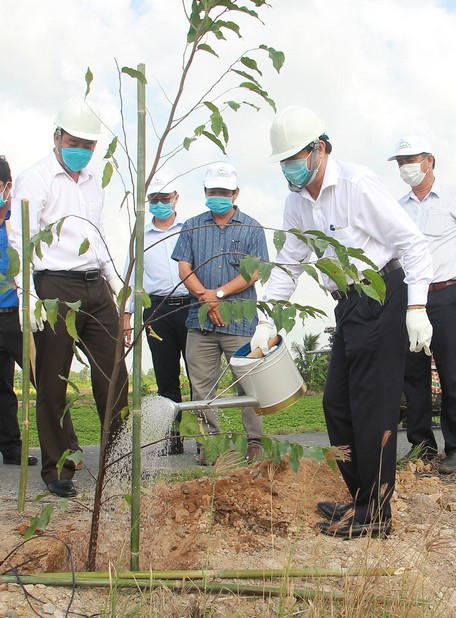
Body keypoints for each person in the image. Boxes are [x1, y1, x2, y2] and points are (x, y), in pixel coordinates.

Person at [251, 106, 433, 539]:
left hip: (382, 295)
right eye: (284, 160)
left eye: (297, 155)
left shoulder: (356, 184)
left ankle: (376, 516)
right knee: (336, 404)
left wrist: (417, 307)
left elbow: (412, 243)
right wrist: (267, 319)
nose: (290, 167)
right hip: (347, 305)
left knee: (373, 409)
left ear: (320, 148)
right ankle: (362, 499)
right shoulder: (297, 202)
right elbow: (288, 263)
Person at [10, 98, 129, 497]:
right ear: (57, 136)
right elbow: (20, 240)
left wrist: (118, 286)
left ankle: (118, 458)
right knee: (52, 378)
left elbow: (97, 236)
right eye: (76, 141)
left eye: (90, 145)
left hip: (96, 286)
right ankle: (58, 467)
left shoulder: (93, 181)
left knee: (113, 372)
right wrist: (28, 296)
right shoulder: (36, 178)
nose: (83, 150)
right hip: (53, 286)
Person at [172, 162, 269, 465]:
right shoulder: (192, 226)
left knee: (248, 383)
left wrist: (219, 295)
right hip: (199, 322)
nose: (218, 196)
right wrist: (204, 298)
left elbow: (254, 272)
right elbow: (184, 267)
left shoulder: (252, 227)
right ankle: (209, 446)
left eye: (224, 192)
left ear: (235, 193)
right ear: (205, 192)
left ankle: (255, 441)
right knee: (201, 387)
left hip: (239, 321)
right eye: (213, 191)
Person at [389, 135, 456, 474]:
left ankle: (454, 447)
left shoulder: (451, 197)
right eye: (400, 162)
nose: (405, 167)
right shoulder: (396, 208)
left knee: (452, 371)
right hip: (410, 300)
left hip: (447, 296)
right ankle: (421, 445)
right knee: (412, 375)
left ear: (429, 160)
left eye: (411, 159)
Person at [123, 175, 191, 454]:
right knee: (166, 378)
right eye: (155, 199)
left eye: (166, 197)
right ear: (148, 202)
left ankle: (204, 439)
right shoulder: (140, 234)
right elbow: (131, 277)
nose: (161, 203)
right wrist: (126, 317)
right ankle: (172, 438)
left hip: (189, 305)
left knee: (199, 375)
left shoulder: (190, 229)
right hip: (157, 310)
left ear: (176, 197)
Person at [0, 155, 39, 466]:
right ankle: (11, 450)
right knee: (2, 386)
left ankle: (66, 449)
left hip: (18, 316)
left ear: (7, 188)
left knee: (45, 379)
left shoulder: (22, 221)